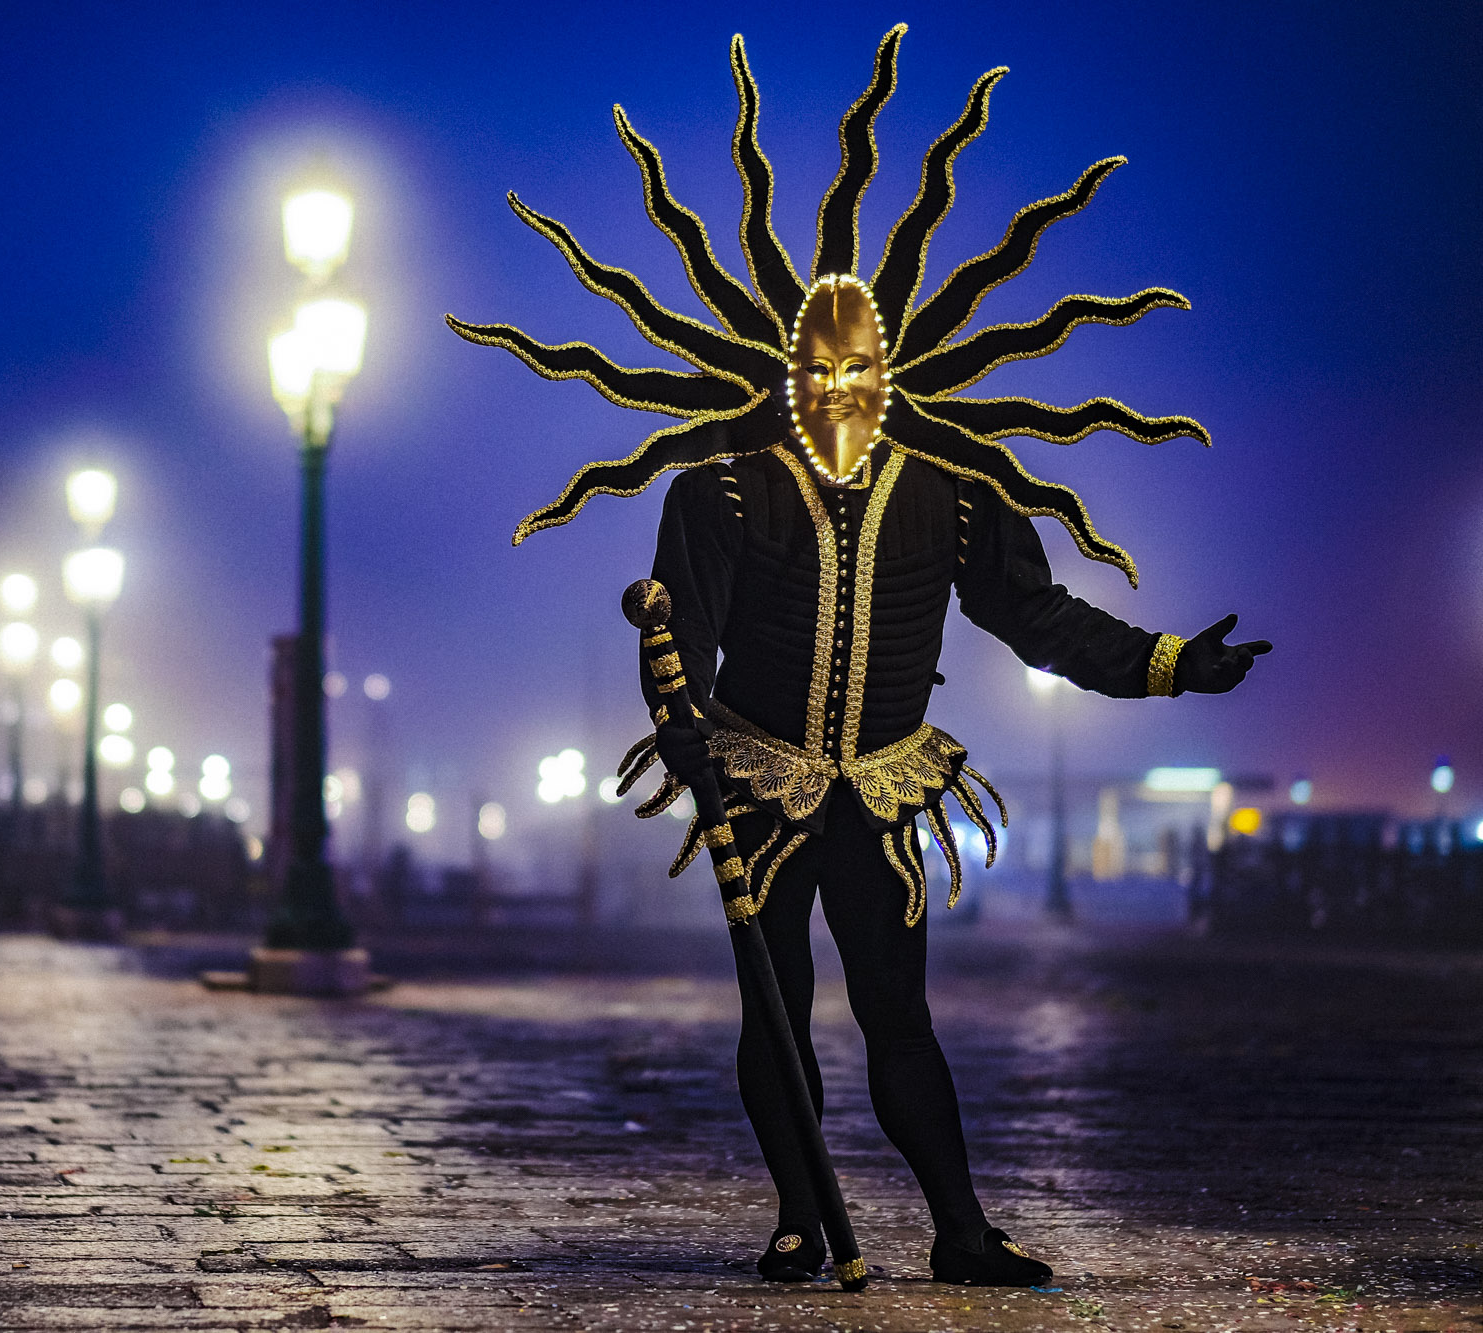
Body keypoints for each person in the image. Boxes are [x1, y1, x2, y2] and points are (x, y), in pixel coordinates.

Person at [449, 27, 1270, 1286]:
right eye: (820, 368)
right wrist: (684, 736)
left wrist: (1164, 662)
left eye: (861, 369)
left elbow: (1037, 619)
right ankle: (796, 1216)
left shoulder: (949, 499)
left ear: (890, 377)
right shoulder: (719, 495)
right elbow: (683, 637)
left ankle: (957, 1228)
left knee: (899, 1015)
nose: (841, 388)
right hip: (760, 785)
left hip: (882, 788)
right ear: (789, 376)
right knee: (772, 1015)